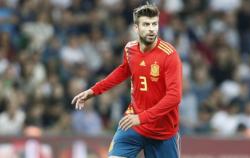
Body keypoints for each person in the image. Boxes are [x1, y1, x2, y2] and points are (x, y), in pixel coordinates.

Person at [71, 3, 182, 158]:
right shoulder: (130, 49)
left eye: (154, 24)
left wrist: (141, 118)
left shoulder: (169, 55)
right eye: (146, 24)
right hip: (132, 124)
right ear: (136, 28)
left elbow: (174, 96)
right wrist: (93, 91)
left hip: (162, 132)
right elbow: (123, 70)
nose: (151, 29)